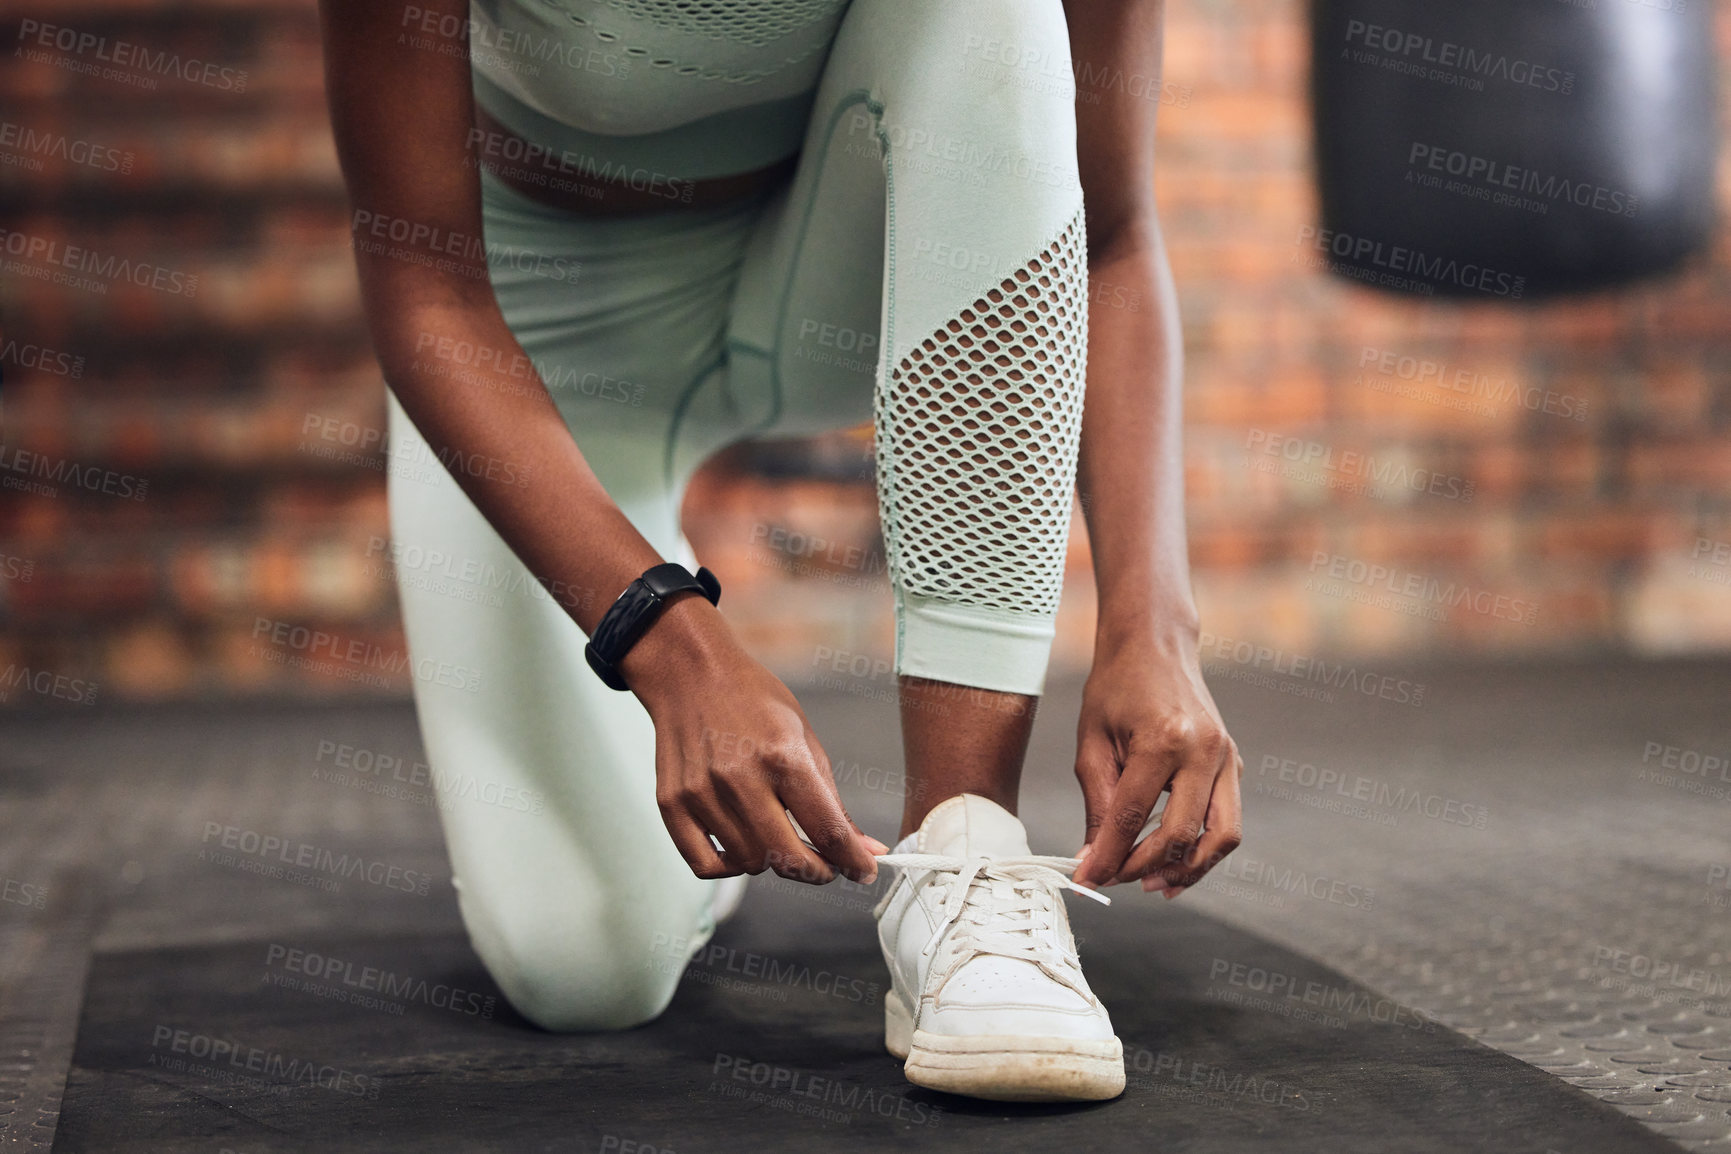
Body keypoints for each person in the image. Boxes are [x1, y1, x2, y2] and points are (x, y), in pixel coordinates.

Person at [319, 0, 1244, 1103]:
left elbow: (1109, 234)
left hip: (820, 267)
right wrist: (661, 634)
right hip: (548, 336)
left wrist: (1156, 626)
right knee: (581, 967)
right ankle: (655, 735)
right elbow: (424, 284)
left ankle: (964, 857)